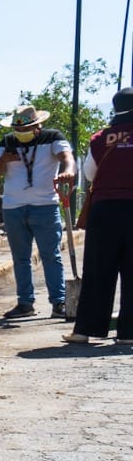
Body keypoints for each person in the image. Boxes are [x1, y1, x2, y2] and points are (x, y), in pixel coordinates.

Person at [0, 104, 75, 318]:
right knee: (20, 258)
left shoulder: (52, 137)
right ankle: (25, 303)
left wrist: (68, 172)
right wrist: (3, 160)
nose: (22, 134)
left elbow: (66, 158)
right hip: (13, 207)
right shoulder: (7, 142)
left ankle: (59, 302)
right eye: (19, 130)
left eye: (26, 129)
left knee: (50, 255)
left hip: (45, 205)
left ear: (37, 125)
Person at [64, 87, 133, 343]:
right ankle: (129, 334)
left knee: (98, 270)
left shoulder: (100, 138)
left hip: (106, 210)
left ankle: (85, 330)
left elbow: (91, 174)